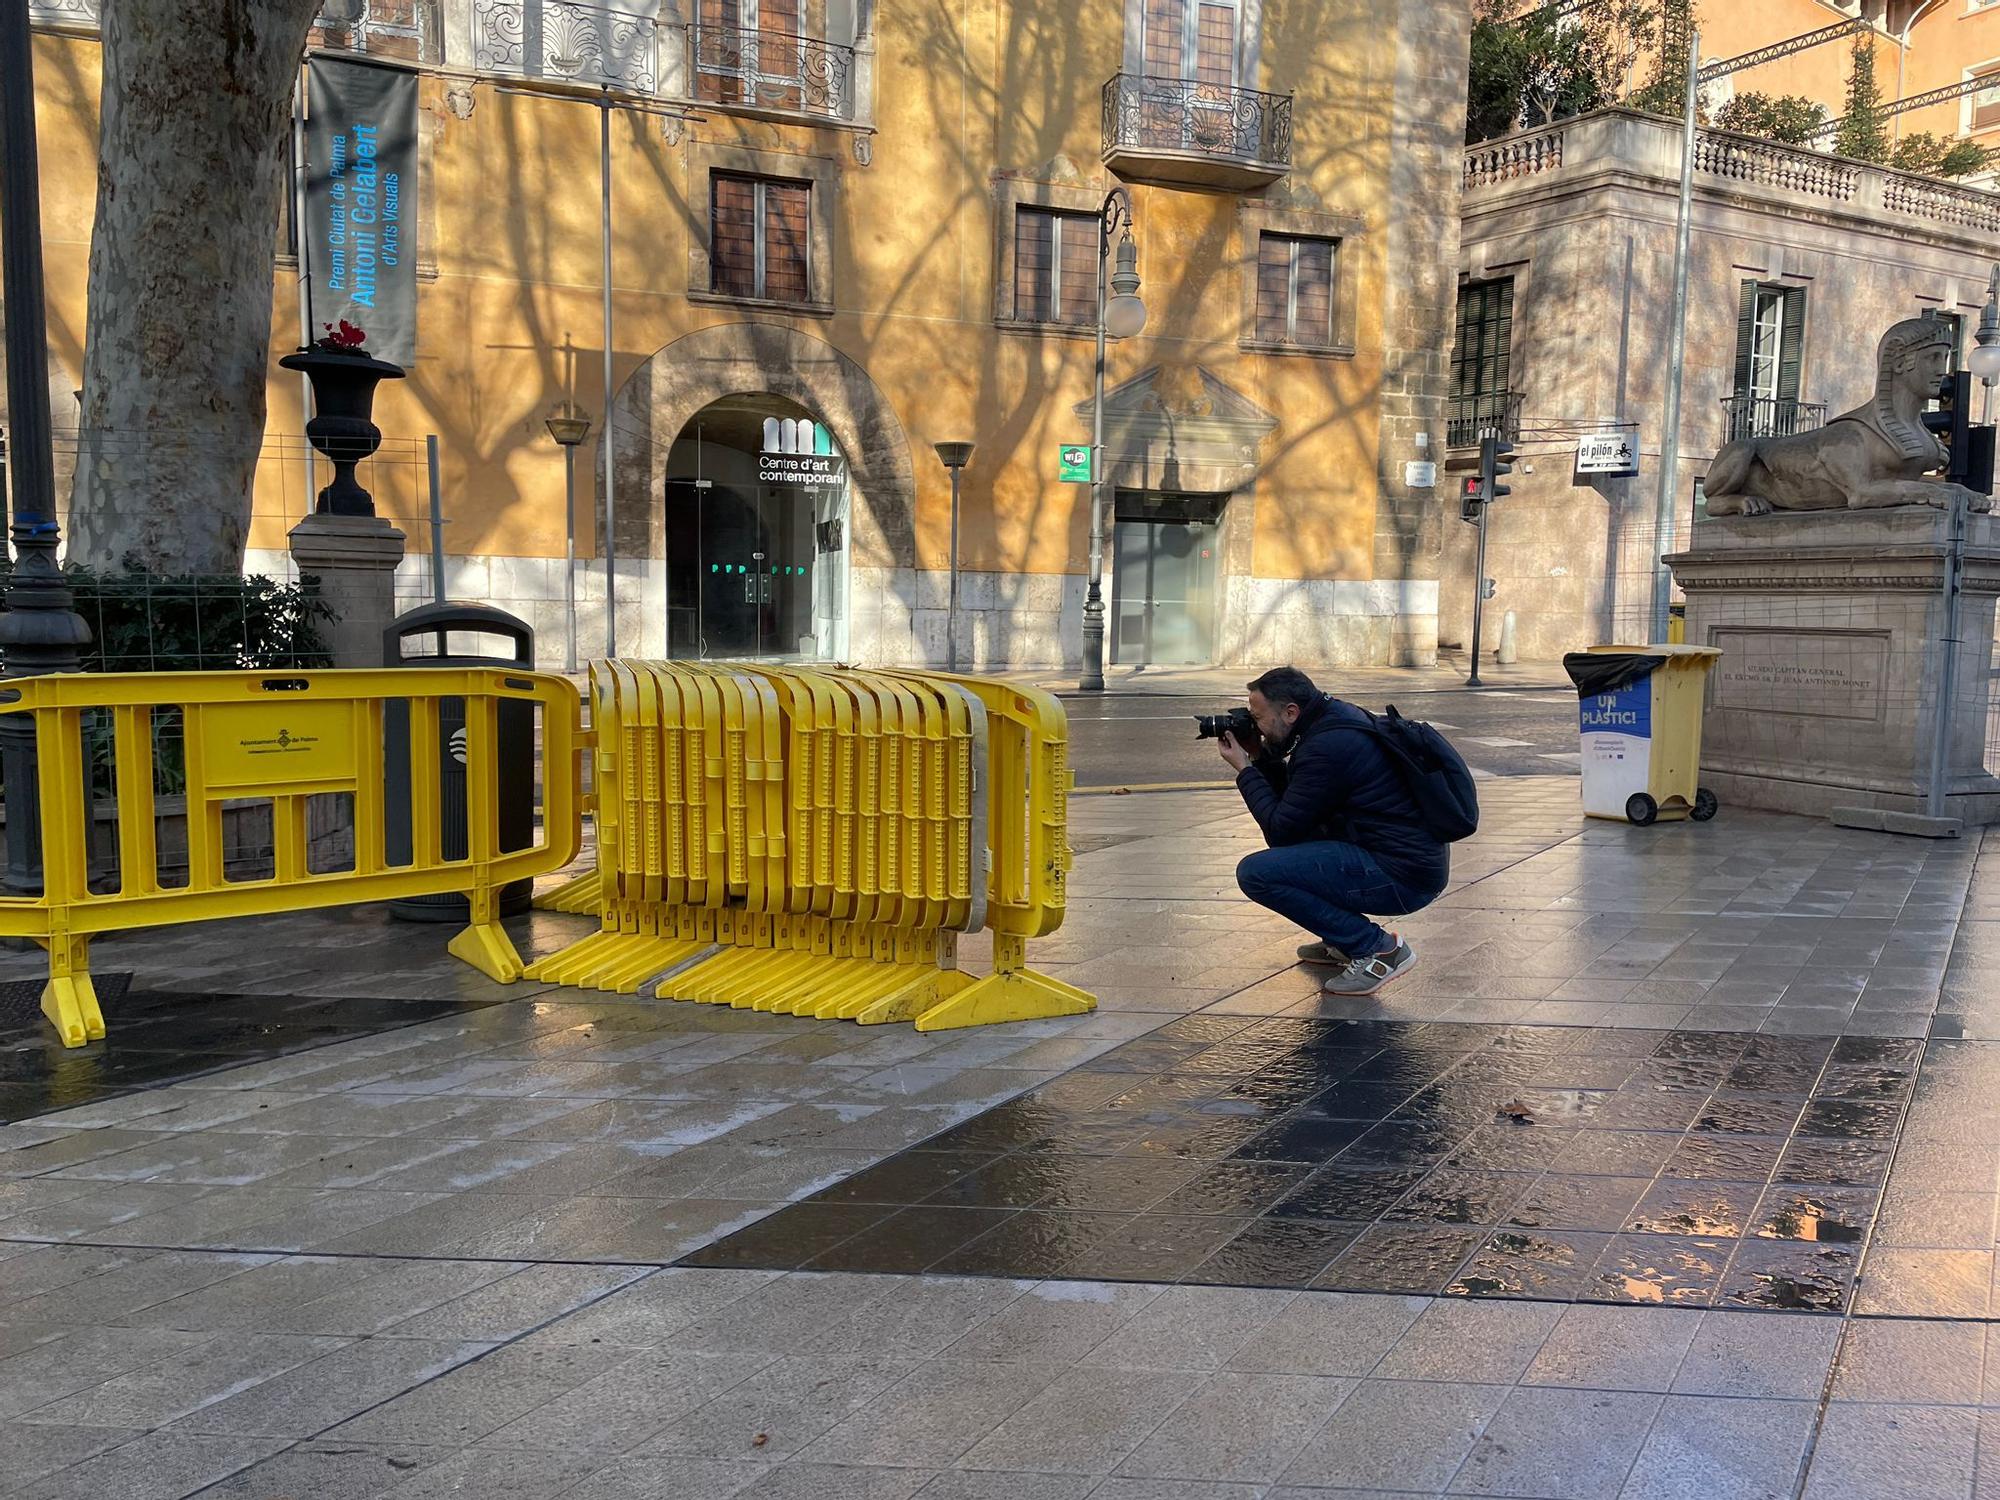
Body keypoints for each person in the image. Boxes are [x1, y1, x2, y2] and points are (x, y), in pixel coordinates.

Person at [1218, 666, 1448, 995]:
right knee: (1302, 847)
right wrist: (1262, 756)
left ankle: (1377, 948)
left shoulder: (1327, 747)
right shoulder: (1333, 719)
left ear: (1290, 712)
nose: (1255, 725)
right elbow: (1299, 813)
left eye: (1257, 717)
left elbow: (1281, 831)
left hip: (1402, 876)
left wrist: (1245, 769)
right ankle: (1341, 941)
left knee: (1256, 873)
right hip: (1406, 861)